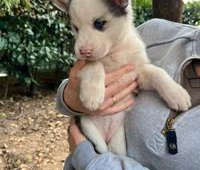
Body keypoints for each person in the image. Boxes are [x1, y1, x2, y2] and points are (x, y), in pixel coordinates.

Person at [56, 18, 200, 170]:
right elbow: (67, 97)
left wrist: (92, 162)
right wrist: (71, 97)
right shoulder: (153, 32)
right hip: (91, 128)